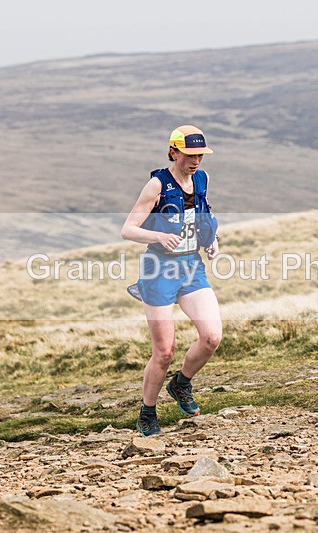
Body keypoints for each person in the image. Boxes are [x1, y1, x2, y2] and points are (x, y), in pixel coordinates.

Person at [121, 125, 222, 437]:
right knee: (164, 351)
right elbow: (128, 229)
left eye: (200, 156)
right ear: (173, 152)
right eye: (190, 155)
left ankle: (181, 383)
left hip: (192, 266)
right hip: (159, 270)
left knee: (211, 337)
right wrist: (158, 235)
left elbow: (200, 214)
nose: (196, 161)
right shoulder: (156, 185)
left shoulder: (201, 179)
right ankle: (147, 414)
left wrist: (212, 238)